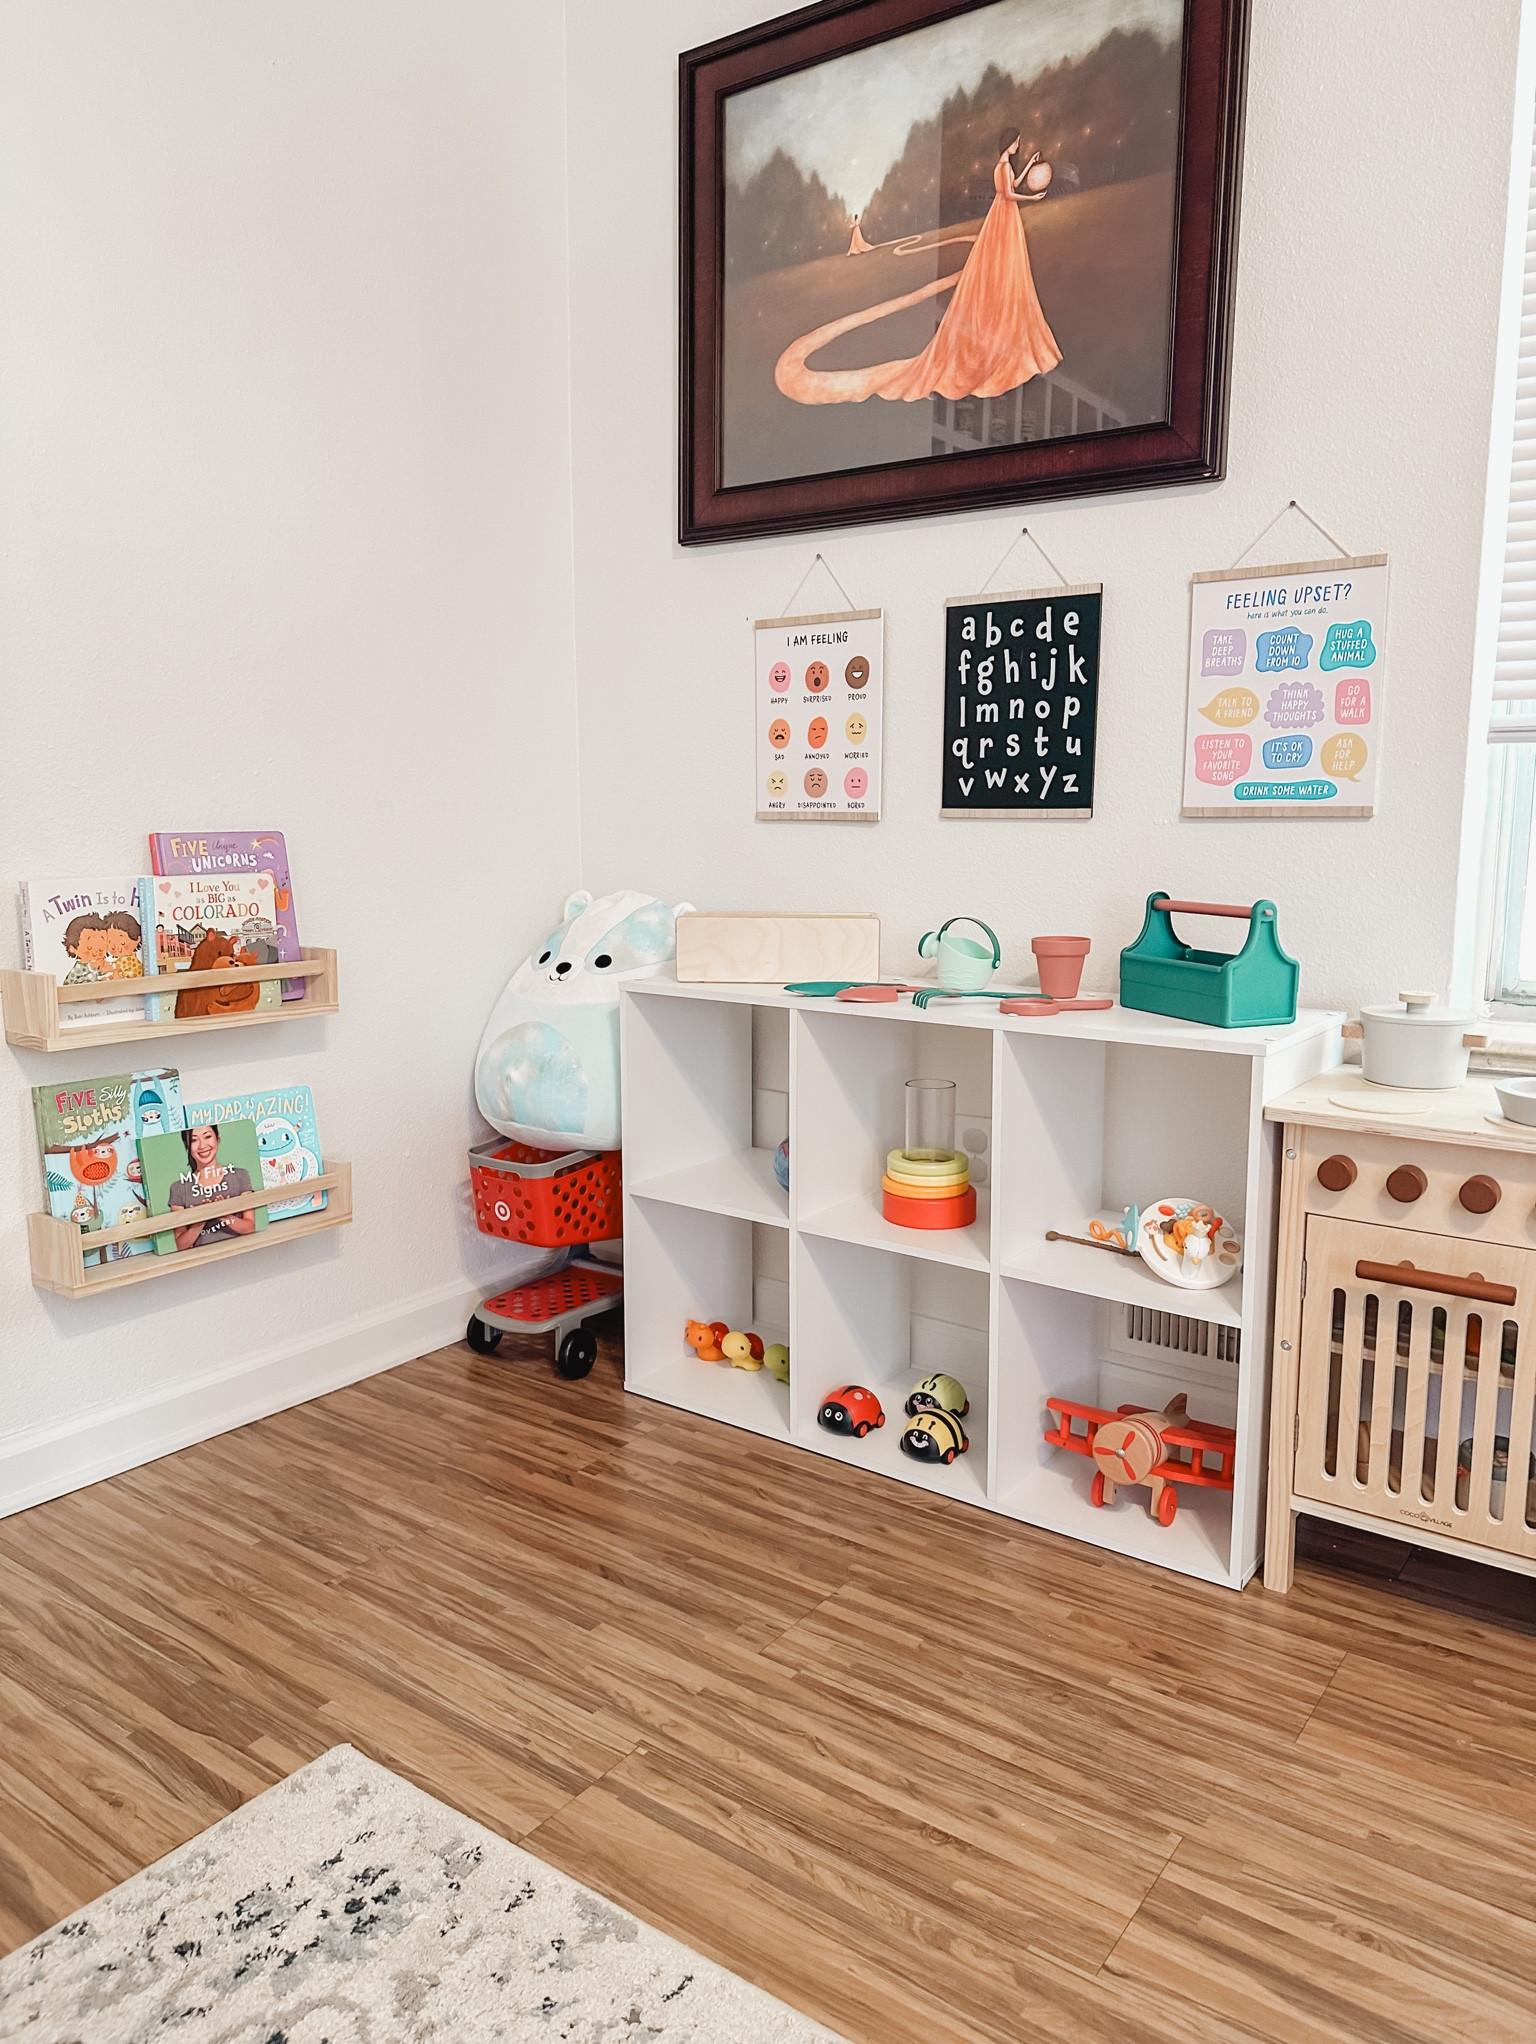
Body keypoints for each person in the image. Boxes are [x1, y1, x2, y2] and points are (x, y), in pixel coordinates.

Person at [776, 128, 1061, 406]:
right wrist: (1030, 197)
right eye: (1016, 144)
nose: (1017, 147)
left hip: (1006, 218)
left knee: (1008, 266)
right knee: (997, 265)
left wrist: (1027, 170)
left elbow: (1011, 186)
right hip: (1003, 216)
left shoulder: (1008, 167)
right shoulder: (1001, 167)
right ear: (1009, 143)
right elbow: (1007, 194)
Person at [167, 1122, 257, 1250]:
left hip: (241, 1252)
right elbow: (181, 1244)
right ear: (187, 1145)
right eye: (194, 1140)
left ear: (217, 1139)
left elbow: (250, 1227)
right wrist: (199, 1221)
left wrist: (224, 1214)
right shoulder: (178, 1188)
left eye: (207, 1137)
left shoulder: (240, 1176)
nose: (202, 1145)